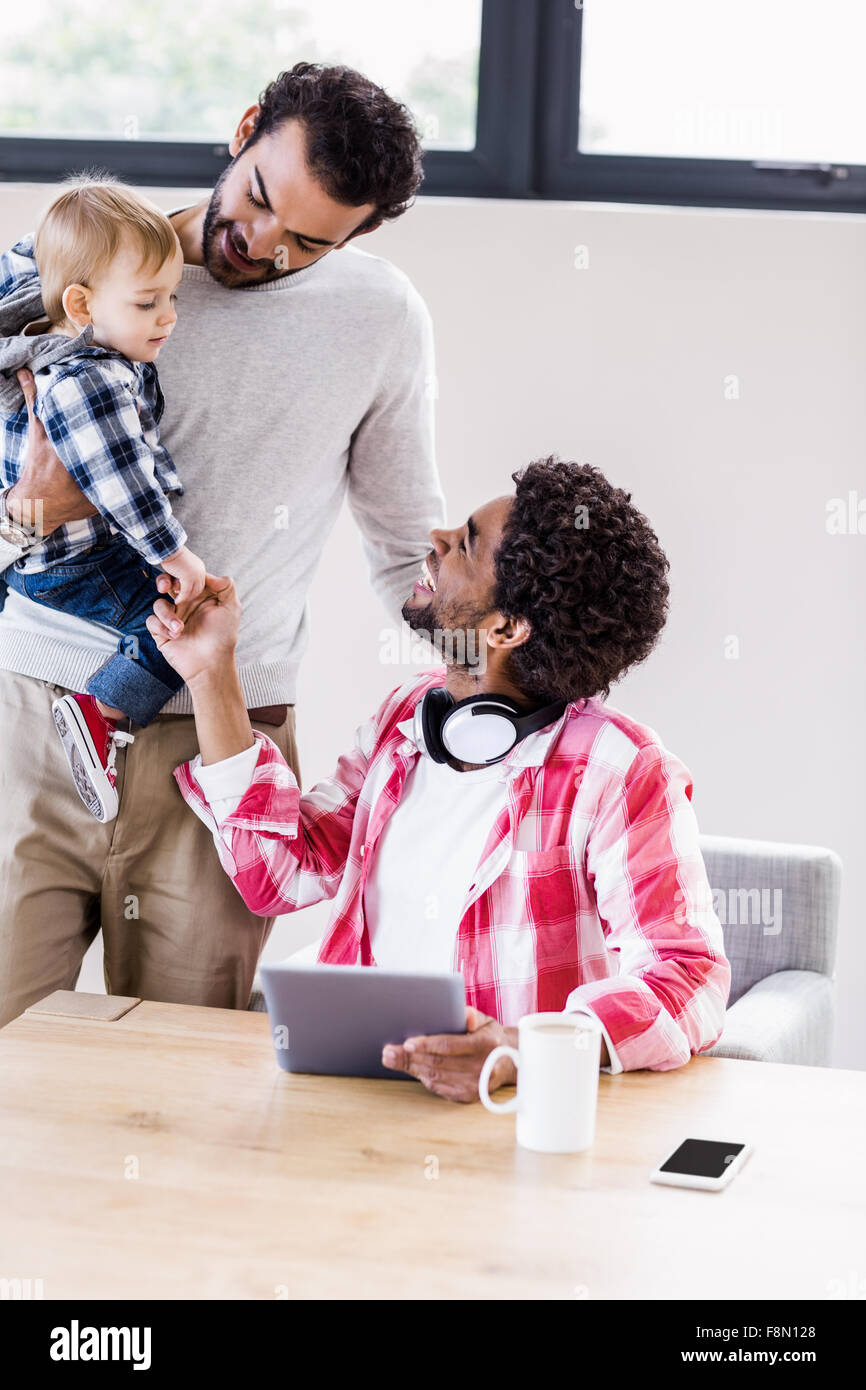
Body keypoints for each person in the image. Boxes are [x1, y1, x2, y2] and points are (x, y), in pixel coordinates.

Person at [0, 63, 445, 1027]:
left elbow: (408, 550)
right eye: (256, 201)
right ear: (244, 130)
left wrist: (513, 667)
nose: (263, 247)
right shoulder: (80, 272)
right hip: (34, 715)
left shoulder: (379, 320)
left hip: (224, 746)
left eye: (310, 242)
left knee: (184, 1094)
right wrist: (25, 517)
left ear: (359, 234)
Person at [153, 457, 731, 1103]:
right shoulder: (407, 720)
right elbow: (276, 873)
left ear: (506, 629)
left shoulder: (618, 771)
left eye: (464, 543)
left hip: (506, 1113)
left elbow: (689, 977)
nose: (434, 540)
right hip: (360, 1096)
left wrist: (525, 1049)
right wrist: (211, 670)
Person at [0, 179, 207, 822]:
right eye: (149, 303)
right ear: (82, 302)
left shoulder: (64, 355)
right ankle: (103, 709)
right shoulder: (91, 378)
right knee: (185, 630)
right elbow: (122, 486)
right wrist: (173, 552)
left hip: (51, 559)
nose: (170, 317)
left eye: (171, 297)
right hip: (73, 565)